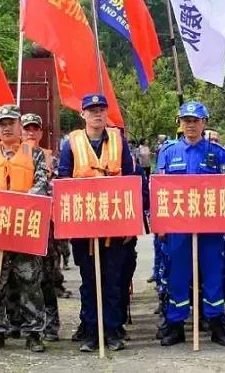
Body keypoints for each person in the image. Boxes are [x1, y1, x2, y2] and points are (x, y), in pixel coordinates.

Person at [58, 94, 136, 352]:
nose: (97, 114)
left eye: (101, 110)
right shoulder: (71, 144)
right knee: (89, 281)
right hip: (84, 227)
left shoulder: (118, 141)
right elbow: (64, 183)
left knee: (113, 281)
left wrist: (130, 224)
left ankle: (112, 331)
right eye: (92, 111)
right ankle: (91, 331)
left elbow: (131, 182)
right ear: (83, 115)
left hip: (115, 227)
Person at [155, 101, 225, 348]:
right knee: (177, 276)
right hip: (178, 228)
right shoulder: (168, 153)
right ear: (180, 123)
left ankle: (216, 325)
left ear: (204, 123)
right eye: (186, 120)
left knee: (212, 276)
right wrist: (161, 226)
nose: (190, 125)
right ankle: (176, 325)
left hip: (210, 229)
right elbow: (158, 190)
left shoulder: (217, 153)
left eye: (195, 121)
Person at [0, 104, 50, 353]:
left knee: (30, 282)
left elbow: (41, 186)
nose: (7, 127)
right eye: (2, 123)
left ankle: (34, 333)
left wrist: (18, 207)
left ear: (19, 126)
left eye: (11, 123)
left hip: (25, 229)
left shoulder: (35, 155)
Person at [22, 113, 63, 343]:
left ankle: (51, 323)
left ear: (40, 132)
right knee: (17, 278)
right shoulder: (10, 157)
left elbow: (55, 189)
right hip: (18, 224)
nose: (30, 132)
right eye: (26, 128)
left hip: (44, 225)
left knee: (46, 277)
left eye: (34, 129)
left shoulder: (51, 160)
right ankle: (18, 321)